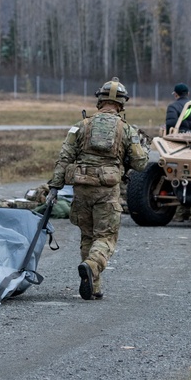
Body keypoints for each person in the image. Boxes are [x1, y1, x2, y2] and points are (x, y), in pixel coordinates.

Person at [46, 77, 149, 300]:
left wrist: (54, 188)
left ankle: (94, 287)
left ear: (99, 101)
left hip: (82, 190)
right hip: (107, 192)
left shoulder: (80, 126)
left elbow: (64, 158)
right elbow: (140, 164)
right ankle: (92, 266)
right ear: (121, 104)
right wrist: (144, 148)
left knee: (87, 236)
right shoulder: (127, 129)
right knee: (106, 237)